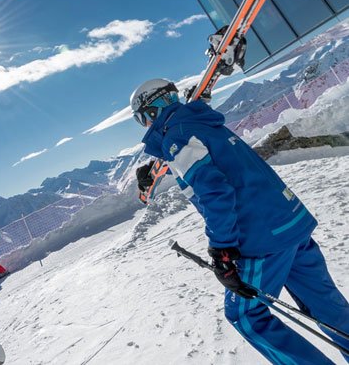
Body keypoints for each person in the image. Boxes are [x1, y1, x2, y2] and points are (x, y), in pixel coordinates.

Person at [130, 78, 349, 364]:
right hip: (290, 222)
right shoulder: (202, 123)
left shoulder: (177, 137)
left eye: (141, 119)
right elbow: (221, 166)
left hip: (261, 239)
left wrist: (222, 251)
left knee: (246, 316)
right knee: (323, 302)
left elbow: (215, 193)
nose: (145, 125)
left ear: (151, 111)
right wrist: (161, 166)